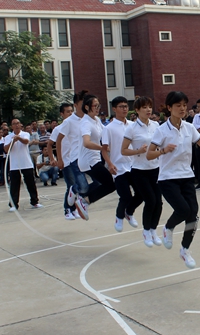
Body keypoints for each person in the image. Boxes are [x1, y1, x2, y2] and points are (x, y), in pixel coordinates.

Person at [147, 91, 200, 269]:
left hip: (186, 176)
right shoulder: (161, 130)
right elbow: (149, 154)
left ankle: (185, 249)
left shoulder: (189, 127)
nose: (182, 108)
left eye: (184, 105)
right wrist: (163, 151)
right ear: (169, 108)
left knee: (193, 214)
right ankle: (168, 228)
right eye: (178, 105)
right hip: (168, 178)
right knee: (183, 210)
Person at [122, 96, 163, 246]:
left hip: (155, 168)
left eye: (150, 107)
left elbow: (160, 143)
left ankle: (153, 229)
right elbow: (123, 150)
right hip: (139, 170)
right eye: (144, 107)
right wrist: (138, 151)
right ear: (137, 110)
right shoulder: (131, 128)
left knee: (159, 202)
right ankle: (146, 231)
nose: (148, 110)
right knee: (150, 200)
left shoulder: (156, 125)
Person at [68, 94, 117, 217]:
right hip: (88, 160)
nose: (98, 108)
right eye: (95, 106)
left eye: (98, 105)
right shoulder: (85, 123)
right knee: (110, 184)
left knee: (105, 183)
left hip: (95, 159)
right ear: (86, 107)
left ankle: (81, 196)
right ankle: (84, 200)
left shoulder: (96, 120)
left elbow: (106, 132)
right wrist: (102, 148)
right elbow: (87, 143)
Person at [102, 96, 143, 232]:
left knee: (141, 193)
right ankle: (119, 217)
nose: (125, 109)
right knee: (125, 196)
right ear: (114, 109)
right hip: (118, 167)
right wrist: (110, 164)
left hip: (134, 165)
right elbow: (104, 149)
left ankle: (129, 212)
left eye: (126, 106)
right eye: (121, 106)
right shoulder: (109, 128)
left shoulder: (133, 125)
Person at [58, 91, 91, 221]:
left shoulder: (90, 119)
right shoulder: (69, 122)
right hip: (74, 159)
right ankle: (69, 208)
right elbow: (58, 140)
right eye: (83, 103)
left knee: (101, 182)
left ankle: (79, 203)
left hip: (89, 158)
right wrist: (59, 159)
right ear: (76, 105)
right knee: (80, 186)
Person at [4, 119, 43, 211]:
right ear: (11, 126)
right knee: (14, 185)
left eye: (18, 123)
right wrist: (13, 141)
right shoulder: (8, 137)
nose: (16, 125)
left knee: (31, 183)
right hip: (14, 165)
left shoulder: (25, 134)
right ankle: (13, 204)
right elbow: (6, 149)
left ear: (20, 125)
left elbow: (26, 141)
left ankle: (34, 201)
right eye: (14, 124)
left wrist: (19, 138)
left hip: (26, 163)